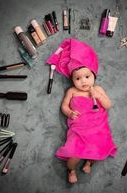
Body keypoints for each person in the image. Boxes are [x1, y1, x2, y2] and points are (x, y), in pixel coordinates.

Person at [46, 38, 117, 184]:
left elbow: (108, 104)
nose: (83, 81)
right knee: (74, 156)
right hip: (79, 128)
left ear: (94, 76)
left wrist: (99, 96)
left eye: (87, 77)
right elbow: (64, 107)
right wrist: (69, 113)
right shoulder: (72, 91)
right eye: (78, 78)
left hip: (98, 127)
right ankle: (71, 170)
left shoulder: (98, 89)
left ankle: (89, 163)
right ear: (72, 80)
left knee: (97, 151)